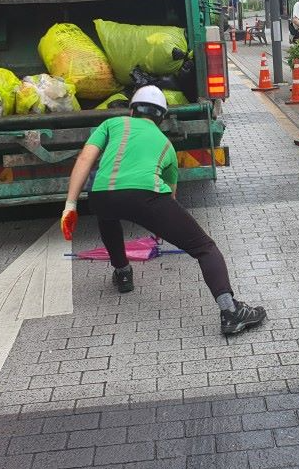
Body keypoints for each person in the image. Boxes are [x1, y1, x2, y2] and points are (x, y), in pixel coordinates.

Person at [61, 86, 266, 336]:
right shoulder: (166, 145)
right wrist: (162, 226)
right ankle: (231, 311)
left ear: (132, 109)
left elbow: (85, 159)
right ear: (162, 116)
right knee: (205, 248)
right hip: (147, 196)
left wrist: (70, 205)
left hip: (101, 195)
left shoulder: (112, 124)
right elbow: (170, 195)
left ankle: (123, 273)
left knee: (108, 216)